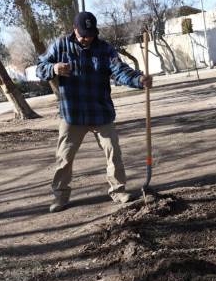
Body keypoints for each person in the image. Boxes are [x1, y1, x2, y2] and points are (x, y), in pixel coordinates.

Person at [36, 11, 152, 213]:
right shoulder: (60, 45)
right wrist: (53, 68)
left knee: (113, 151)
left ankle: (118, 190)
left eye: (90, 34)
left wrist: (138, 80)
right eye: (83, 34)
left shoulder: (105, 49)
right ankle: (60, 196)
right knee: (64, 158)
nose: (86, 38)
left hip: (100, 112)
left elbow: (119, 71)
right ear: (75, 29)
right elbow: (40, 67)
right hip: (72, 114)